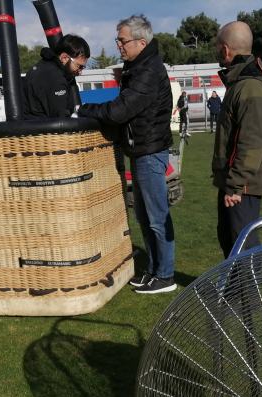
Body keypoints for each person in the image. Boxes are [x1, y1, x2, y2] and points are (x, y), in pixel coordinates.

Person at [77, 15, 175, 294]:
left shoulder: (147, 70)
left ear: (141, 42)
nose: (119, 45)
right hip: (141, 148)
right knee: (144, 216)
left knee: (156, 216)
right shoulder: (137, 66)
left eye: (122, 40)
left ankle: (166, 275)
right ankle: (155, 269)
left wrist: (82, 110)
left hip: (150, 150)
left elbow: (121, 110)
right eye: (117, 40)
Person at [211, 21, 262, 258]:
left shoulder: (250, 87)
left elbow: (252, 141)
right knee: (231, 239)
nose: (217, 50)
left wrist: (236, 185)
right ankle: (235, 293)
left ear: (226, 49)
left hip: (242, 185)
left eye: (218, 46)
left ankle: (249, 295)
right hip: (236, 181)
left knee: (243, 245)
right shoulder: (241, 82)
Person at [20, 34, 90, 119]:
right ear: (64, 58)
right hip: (43, 129)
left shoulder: (44, 66)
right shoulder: (55, 78)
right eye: (79, 66)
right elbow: (61, 117)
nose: (80, 72)